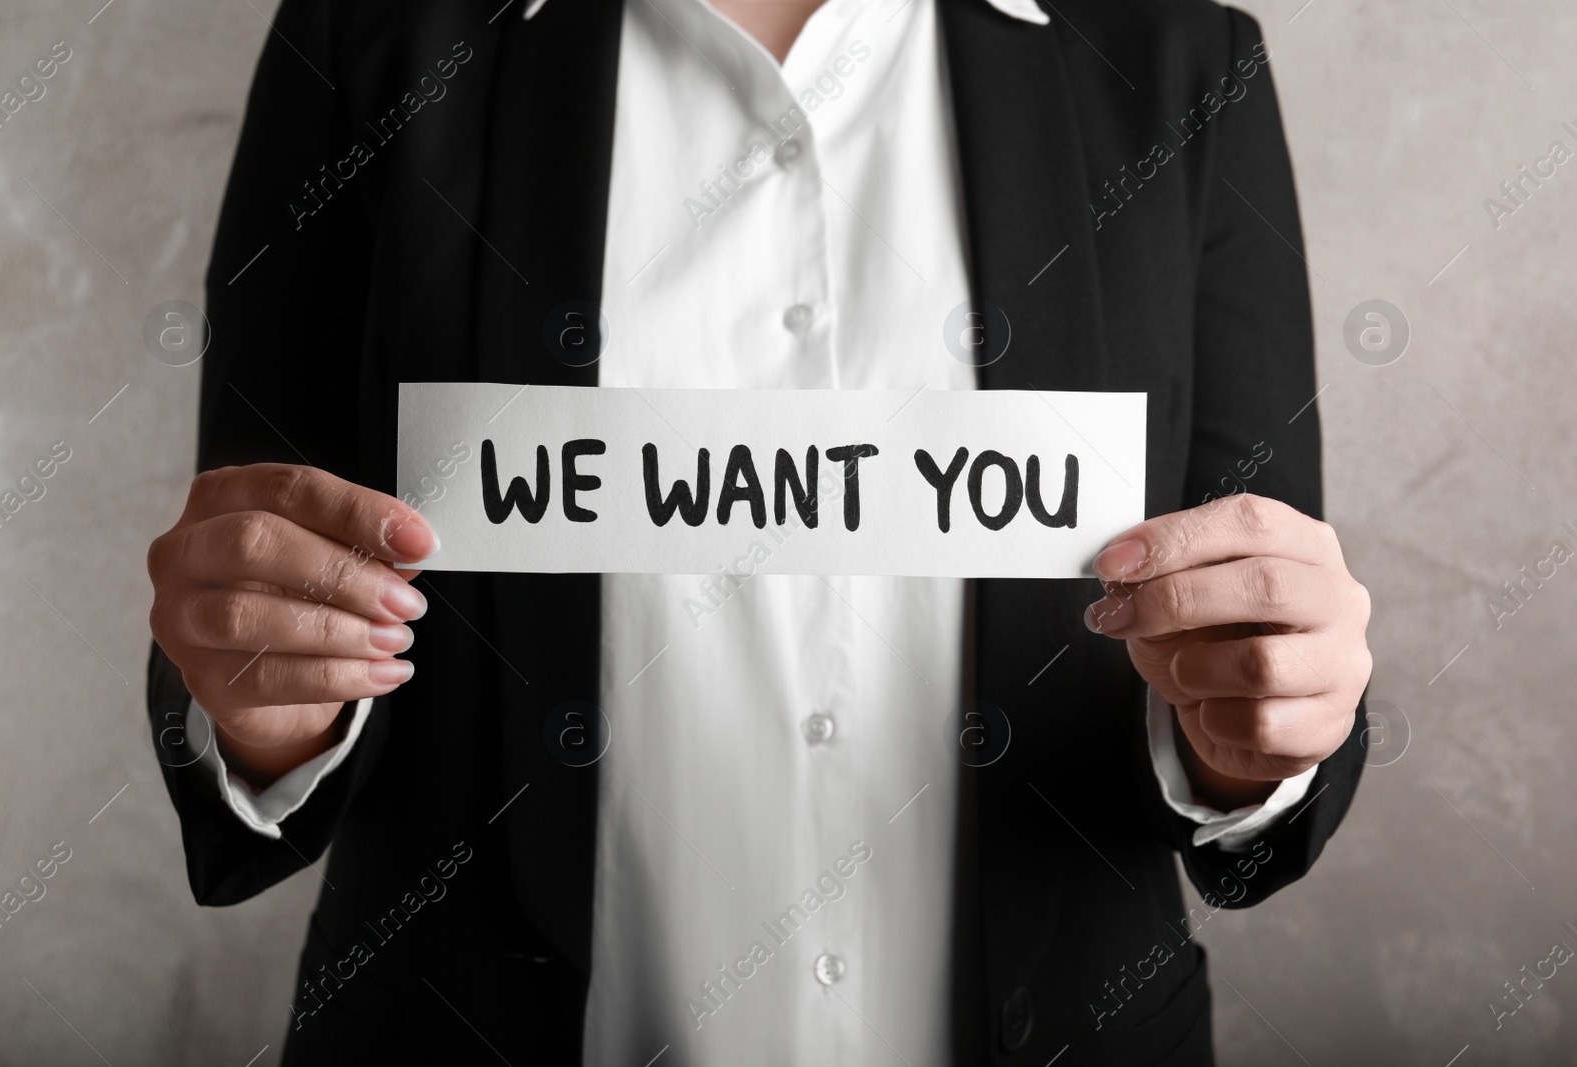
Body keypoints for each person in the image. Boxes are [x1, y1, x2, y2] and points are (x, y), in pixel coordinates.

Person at [144, 0, 1373, 1063]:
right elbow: (251, 563)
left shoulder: (1174, 59)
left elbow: (1257, 607)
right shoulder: (367, 39)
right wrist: (268, 702)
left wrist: (1256, 730)